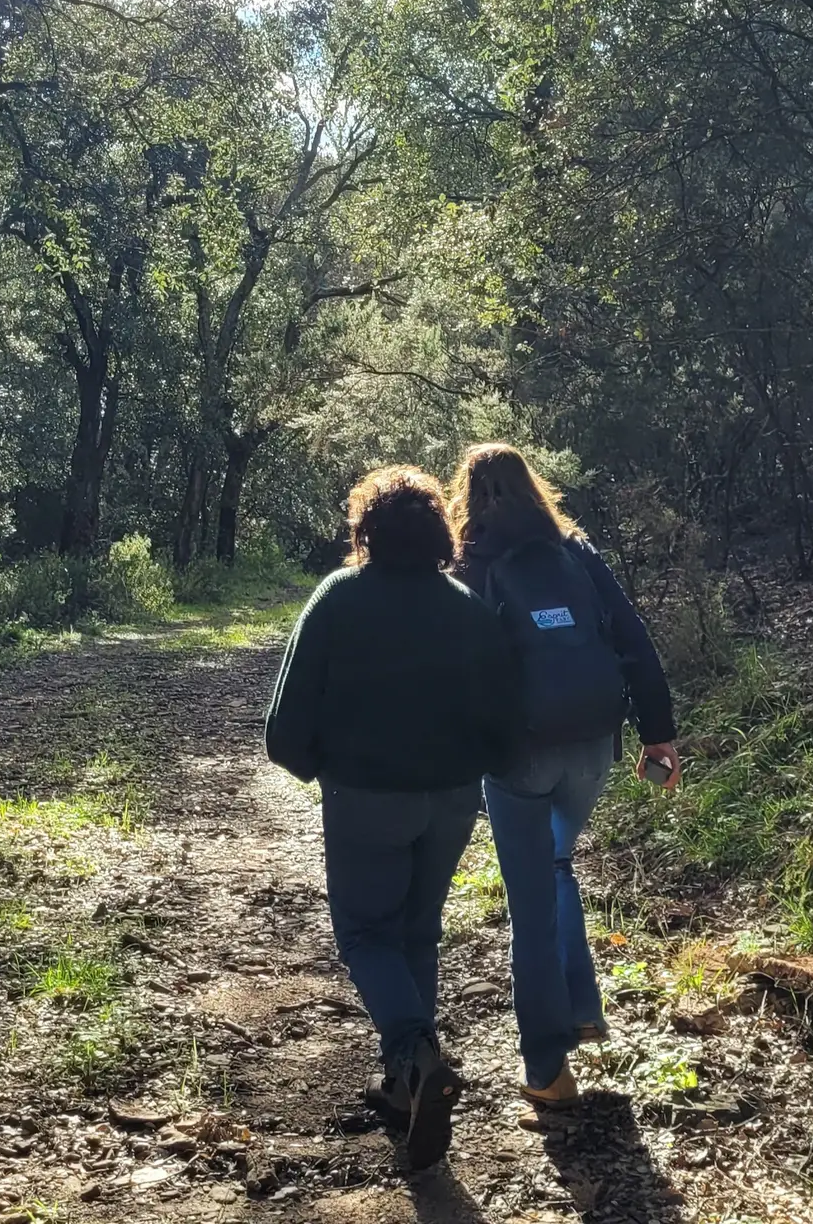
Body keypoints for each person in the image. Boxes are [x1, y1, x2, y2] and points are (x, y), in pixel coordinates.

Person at [264, 465, 521, 1171]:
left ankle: (414, 1049)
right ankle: (407, 1084)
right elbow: (505, 718)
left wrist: (322, 768)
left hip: (367, 796)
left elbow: (285, 725)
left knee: (366, 933)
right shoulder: (468, 607)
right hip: (452, 797)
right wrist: (476, 769)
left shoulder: (339, 597)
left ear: (366, 531)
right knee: (417, 931)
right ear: (440, 532)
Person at [447, 443, 679, 1109]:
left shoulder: (467, 562)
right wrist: (659, 733)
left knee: (530, 904)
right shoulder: (575, 550)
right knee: (557, 863)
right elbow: (633, 638)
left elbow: (454, 666)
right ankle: (579, 1008)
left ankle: (546, 1069)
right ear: (533, 487)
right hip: (593, 745)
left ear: (467, 493)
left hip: (520, 755)